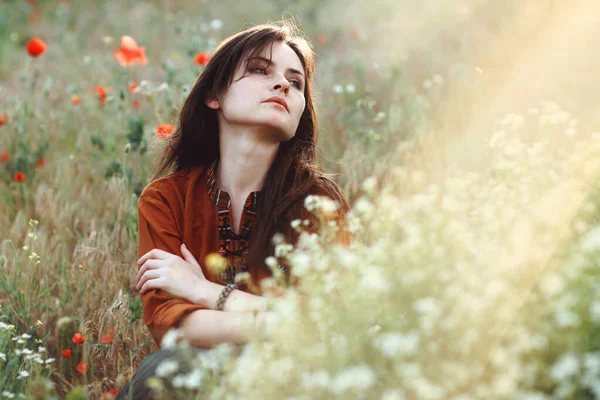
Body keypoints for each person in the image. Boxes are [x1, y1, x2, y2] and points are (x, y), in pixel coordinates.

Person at [116, 20, 351, 399]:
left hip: (295, 378)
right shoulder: (166, 200)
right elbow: (172, 328)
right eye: (260, 70)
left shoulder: (318, 204)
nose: (282, 85)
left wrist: (203, 291)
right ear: (215, 95)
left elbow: (327, 327)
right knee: (163, 371)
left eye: (296, 81)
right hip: (199, 374)